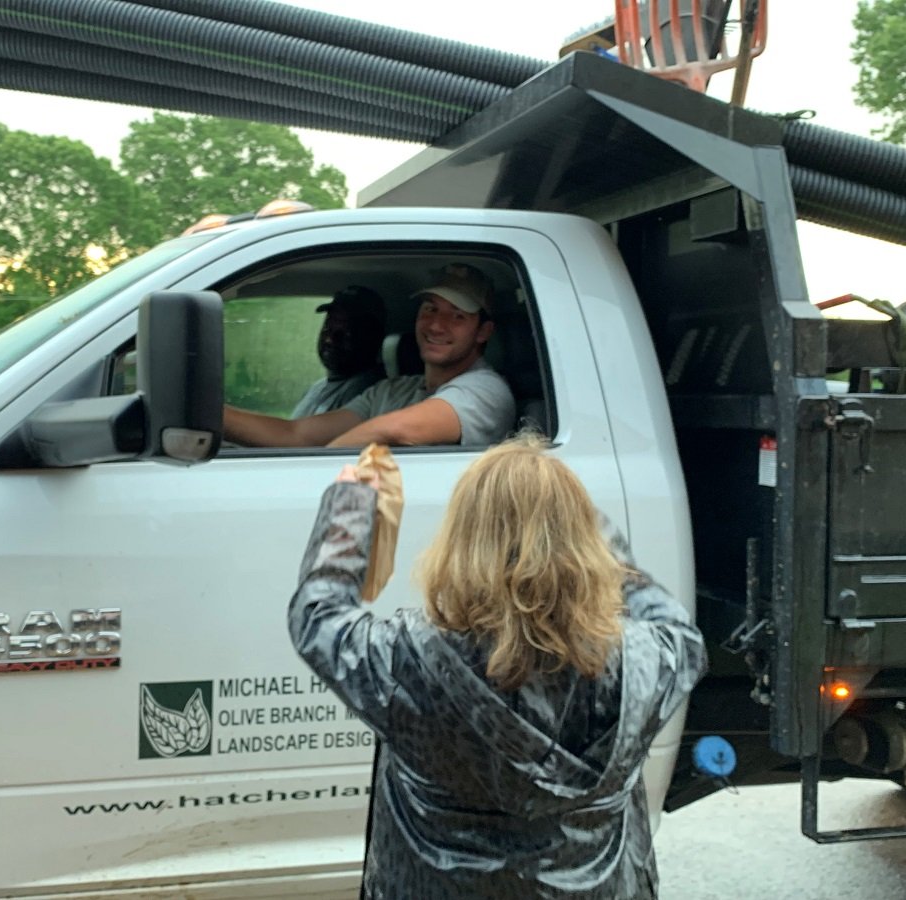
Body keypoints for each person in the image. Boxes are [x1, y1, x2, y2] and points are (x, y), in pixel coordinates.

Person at [288, 434, 707, 898]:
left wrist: (350, 507)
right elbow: (681, 633)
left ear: (461, 541)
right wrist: (594, 537)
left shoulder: (408, 661)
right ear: (579, 547)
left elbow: (318, 615)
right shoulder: (642, 665)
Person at [224, 263, 515, 447]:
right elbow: (296, 435)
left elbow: (395, 431)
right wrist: (207, 414)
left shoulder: (486, 390)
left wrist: (317, 470)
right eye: (430, 309)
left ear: (483, 332)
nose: (437, 325)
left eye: (458, 316)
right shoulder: (390, 391)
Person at [291, 286, 386, 418]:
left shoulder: (366, 392)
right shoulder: (317, 387)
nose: (330, 339)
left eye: (346, 332)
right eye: (328, 327)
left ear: (372, 336)